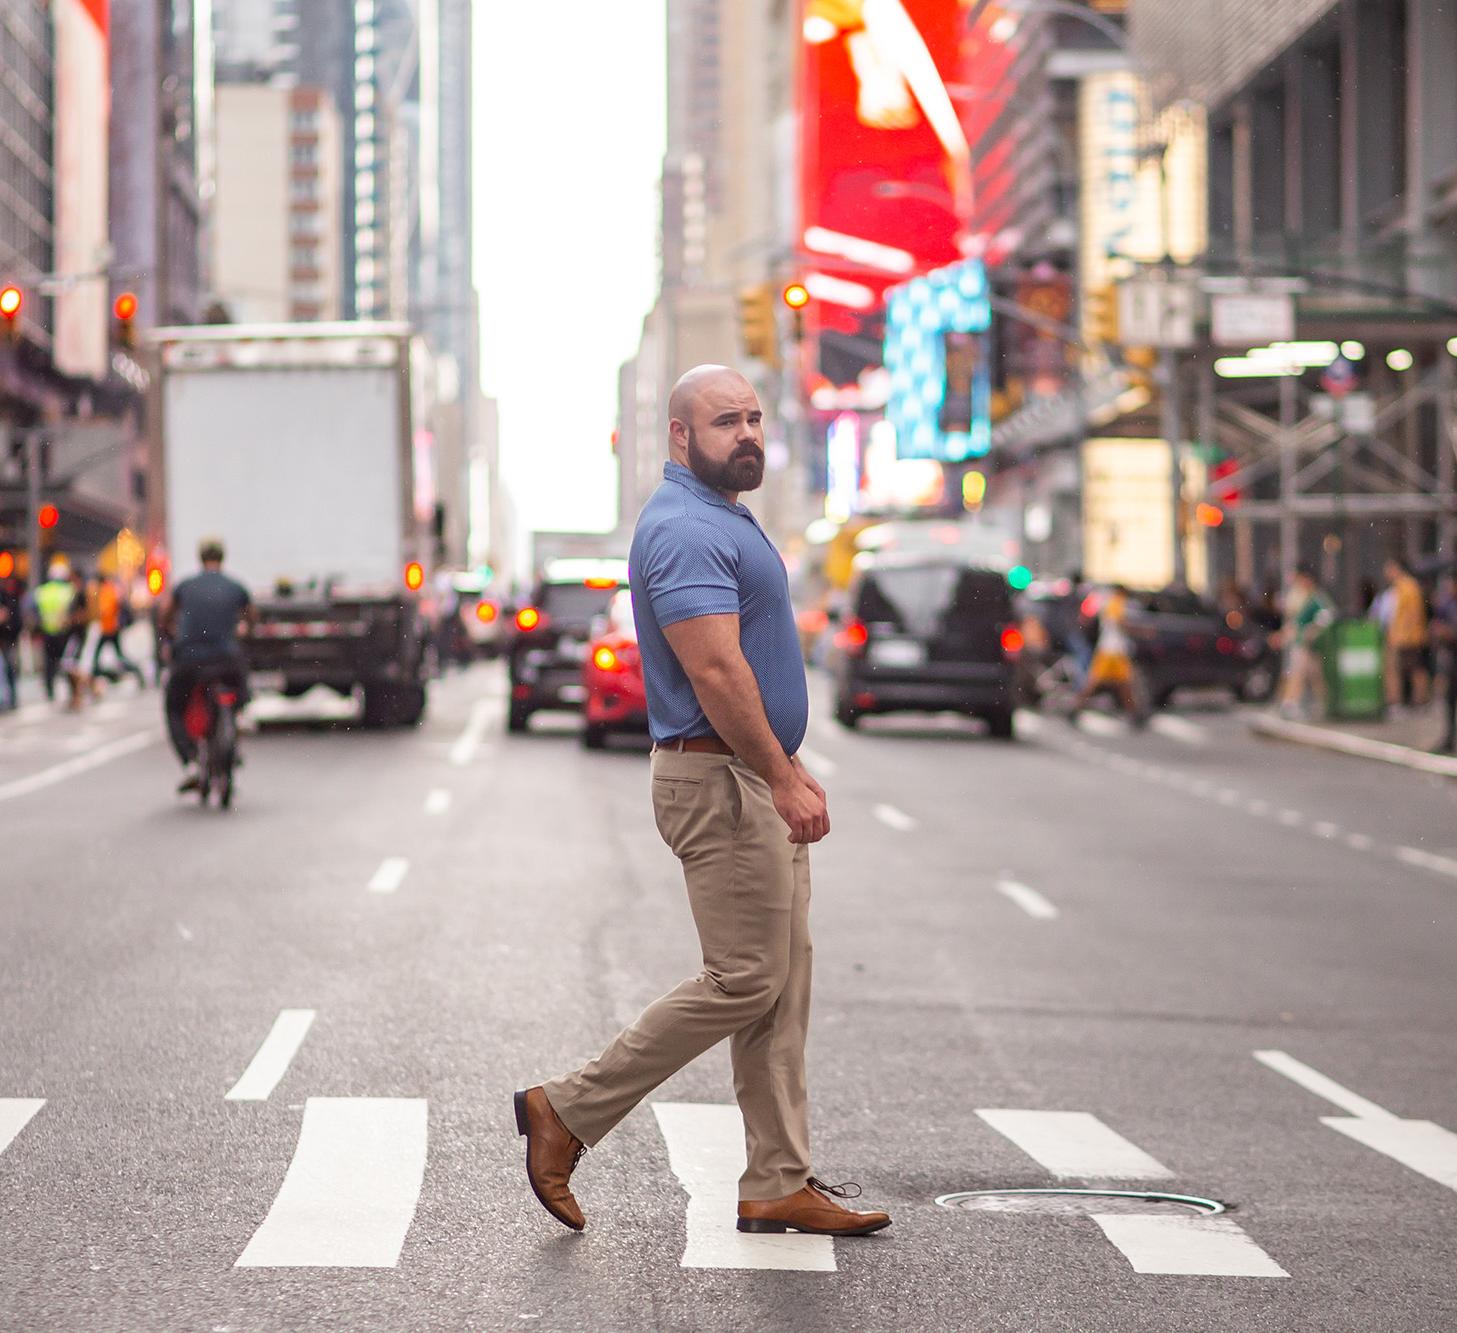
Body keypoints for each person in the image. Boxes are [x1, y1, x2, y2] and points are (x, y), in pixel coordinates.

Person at [514, 365, 889, 1239]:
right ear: (680, 435)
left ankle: (777, 1181)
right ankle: (564, 1111)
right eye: (727, 421)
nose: (747, 433)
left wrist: (782, 766)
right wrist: (782, 773)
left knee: (779, 985)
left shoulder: (720, 513)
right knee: (747, 977)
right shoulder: (684, 526)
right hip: (721, 779)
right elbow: (714, 668)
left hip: (744, 772)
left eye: (754, 417)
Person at [162, 538, 254, 792]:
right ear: (222, 558)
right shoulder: (235, 586)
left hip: (189, 659)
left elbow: (165, 616)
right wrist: (242, 631)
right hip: (226, 657)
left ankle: (190, 760)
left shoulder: (185, 586)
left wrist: (171, 635)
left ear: (200, 558)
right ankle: (241, 714)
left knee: (174, 707)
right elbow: (251, 617)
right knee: (239, 673)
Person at [1070, 584, 1144, 726]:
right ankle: (1075, 708)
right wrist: (1139, 631)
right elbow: (1119, 623)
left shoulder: (1110, 601)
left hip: (1112, 650)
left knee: (1121, 684)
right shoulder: (1116, 602)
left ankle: (1134, 714)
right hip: (1112, 651)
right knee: (1104, 682)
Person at [1277, 563, 1334, 719]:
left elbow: (1326, 618)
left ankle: (1318, 704)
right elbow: (1297, 621)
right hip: (1304, 643)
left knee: (1306, 674)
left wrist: (1311, 630)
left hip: (1309, 644)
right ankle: (1297, 703)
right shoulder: (1307, 597)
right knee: (1307, 674)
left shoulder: (1316, 598)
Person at [1384, 556, 1429, 710]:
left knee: (1413, 669)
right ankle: (1405, 702)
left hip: (1409, 637)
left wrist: (1405, 634)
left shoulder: (1408, 586)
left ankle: (1417, 701)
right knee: (1405, 670)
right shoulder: (1399, 587)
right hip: (1401, 635)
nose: (1387, 572)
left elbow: (1413, 613)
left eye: (1389, 568)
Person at [33, 560, 78, 703]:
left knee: (49, 663)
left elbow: (34, 611)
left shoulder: (42, 591)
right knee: (66, 663)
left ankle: (50, 690)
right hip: (63, 632)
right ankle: (71, 691)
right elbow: (73, 611)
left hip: (47, 632)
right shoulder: (68, 590)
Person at [91, 573, 144, 688]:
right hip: (109, 628)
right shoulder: (109, 589)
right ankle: (135, 672)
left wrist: (101, 614)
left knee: (99, 658)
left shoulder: (107, 590)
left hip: (109, 629)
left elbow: (107, 609)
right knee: (118, 656)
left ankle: (134, 671)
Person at [1429, 572, 1457, 754]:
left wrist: (1447, 632)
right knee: (1449, 700)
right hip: (1452, 658)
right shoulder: (1447, 603)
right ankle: (1448, 739)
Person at [0, 569, 22, 710]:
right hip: (6, 638)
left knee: (9, 669)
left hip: (8, 639)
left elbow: (15, 621)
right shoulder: (6, 597)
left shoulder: (11, 599)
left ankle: (11, 700)